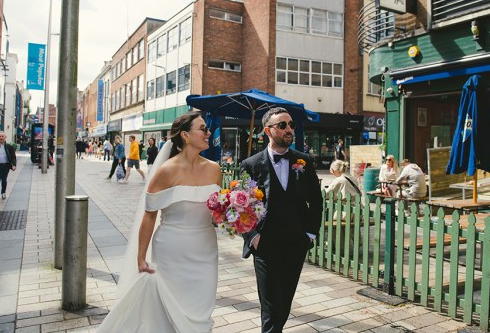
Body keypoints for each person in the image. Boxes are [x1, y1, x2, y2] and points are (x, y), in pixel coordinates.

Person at [97, 112, 221, 332]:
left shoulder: (215, 169)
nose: (208, 133)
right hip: (172, 250)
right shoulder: (166, 171)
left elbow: (216, 210)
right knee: (169, 306)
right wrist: (141, 257)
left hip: (205, 248)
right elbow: (150, 215)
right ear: (185, 135)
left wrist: (235, 215)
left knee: (202, 306)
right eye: (203, 129)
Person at [240, 107, 323, 333]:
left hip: (296, 243)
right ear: (268, 130)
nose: (289, 129)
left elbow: (316, 202)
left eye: (291, 125)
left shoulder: (304, 161)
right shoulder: (251, 165)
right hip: (265, 244)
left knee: (284, 303)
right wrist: (253, 236)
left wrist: (310, 235)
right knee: (270, 305)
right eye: (283, 125)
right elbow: (241, 207)